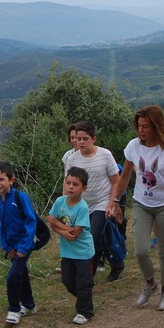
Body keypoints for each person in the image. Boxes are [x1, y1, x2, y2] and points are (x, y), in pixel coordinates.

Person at [107, 105, 164, 312]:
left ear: (156, 126)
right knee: (140, 250)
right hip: (141, 203)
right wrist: (115, 202)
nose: (141, 130)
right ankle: (151, 285)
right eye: (139, 126)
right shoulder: (133, 146)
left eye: (146, 126)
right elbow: (124, 177)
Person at [64, 121, 125, 282]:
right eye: (78, 138)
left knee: (93, 236)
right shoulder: (72, 159)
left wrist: (111, 204)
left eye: (85, 139)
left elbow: (116, 181)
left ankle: (87, 277)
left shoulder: (105, 155)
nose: (81, 142)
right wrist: (65, 205)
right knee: (91, 238)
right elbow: (68, 183)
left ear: (94, 139)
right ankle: (117, 264)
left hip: (102, 202)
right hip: (81, 205)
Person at [0, 162, 37, 325]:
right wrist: (6, 246)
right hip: (11, 246)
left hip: (24, 243)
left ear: (11, 180)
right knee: (21, 274)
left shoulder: (20, 197)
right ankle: (29, 306)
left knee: (13, 275)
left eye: (1, 179)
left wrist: (24, 247)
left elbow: (31, 221)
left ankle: (14, 309)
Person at [48, 166, 96, 325]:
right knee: (67, 280)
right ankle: (86, 297)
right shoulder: (59, 201)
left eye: (75, 184)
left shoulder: (82, 207)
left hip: (83, 252)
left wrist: (56, 223)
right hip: (67, 252)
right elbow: (51, 222)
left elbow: (75, 233)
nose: (70, 187)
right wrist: (62, 231)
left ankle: (85, 311)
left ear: (84, 188)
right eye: (68, 183)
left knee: (82, 282)